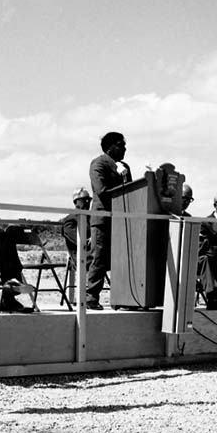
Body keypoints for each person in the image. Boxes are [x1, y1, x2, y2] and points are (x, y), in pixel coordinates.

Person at [84, 131, 132, 309]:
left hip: (122, 220)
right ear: (110, 146)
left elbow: (132, 192)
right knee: (100, 257)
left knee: (121, 258)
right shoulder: (98, 163)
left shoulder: (124, 167)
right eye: (121, 145)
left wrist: (125, 177)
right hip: (103, 218)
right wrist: (119, 182)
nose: (124, 149)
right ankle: (91, 297)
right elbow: (101, 190)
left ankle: (122, 298)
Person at [60, 186, 92, 306]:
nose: (87, 203)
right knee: (97, 261)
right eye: (84, 200)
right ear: (77, 202)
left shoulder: (92, 218)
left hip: (94, 252)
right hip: (81, 255)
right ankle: (88, 298)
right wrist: (93, 239)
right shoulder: (71, 220)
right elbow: (79, 240)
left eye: (88, 200)